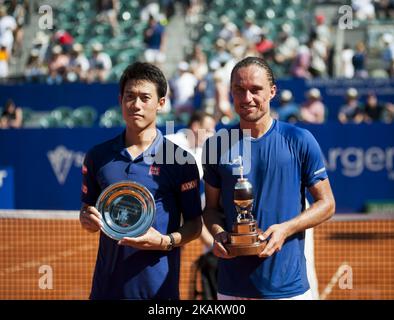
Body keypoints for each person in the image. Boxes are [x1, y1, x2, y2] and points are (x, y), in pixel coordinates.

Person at [202, 57, 335, 300]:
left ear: (272, 91)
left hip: (288, 289)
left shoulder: (299, 139)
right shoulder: (216, 146)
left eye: (256, 90)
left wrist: (286, 229)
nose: (247, 98)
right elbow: (210, 209)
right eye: (239, 90)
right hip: (232, 290)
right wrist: (218, 232)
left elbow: (326, 203)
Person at [79, 62, 202, 300]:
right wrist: (86, 219)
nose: (136, 105)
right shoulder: (97, 156)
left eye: (145, 98)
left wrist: (166, 241)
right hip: (106, 291)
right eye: (130, 97)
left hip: (158, 293)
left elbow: (194, 225)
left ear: (161, 103)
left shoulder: (181, 161)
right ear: (120, 100)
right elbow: (88, 210)